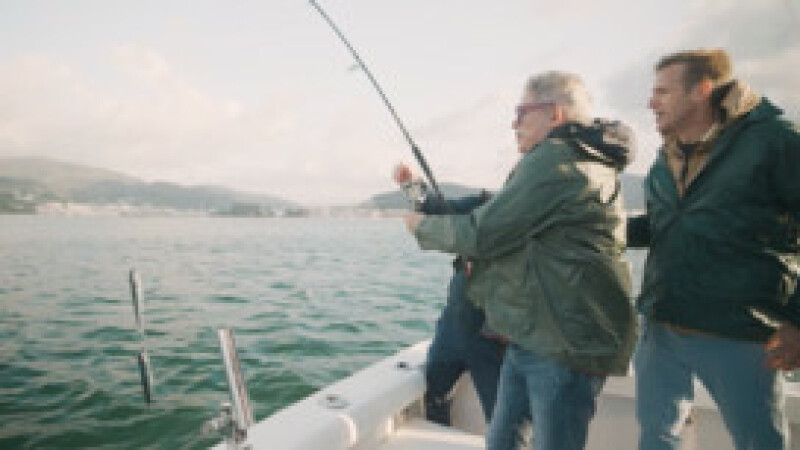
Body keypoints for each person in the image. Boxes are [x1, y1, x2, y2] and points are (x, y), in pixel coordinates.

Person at [403, 71, 637, 450]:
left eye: (521, 112)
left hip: (562, 343)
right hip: (535, 335)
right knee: (504, 438)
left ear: (554, 114)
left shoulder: (557, 160)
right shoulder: (586, 160)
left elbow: (482, 233)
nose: (514, 123)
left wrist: (421, 227)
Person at [628, 48, 800, 450]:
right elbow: (666, 224)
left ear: (701, 90)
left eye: (662, 92)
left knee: (759, 443)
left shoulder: (776, 141)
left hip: (741, 332)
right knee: (656, 439)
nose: (651, 103)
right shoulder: (668, 152)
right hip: (661, 327)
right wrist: (601, 230)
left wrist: (797, 320)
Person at [392, 164, 505, 425]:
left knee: (503, 418)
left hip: (493, 338)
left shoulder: (533, 219)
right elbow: (435, 208)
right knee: (435, 398)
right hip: (451, 330)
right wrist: (411, 184)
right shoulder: (484, 202)